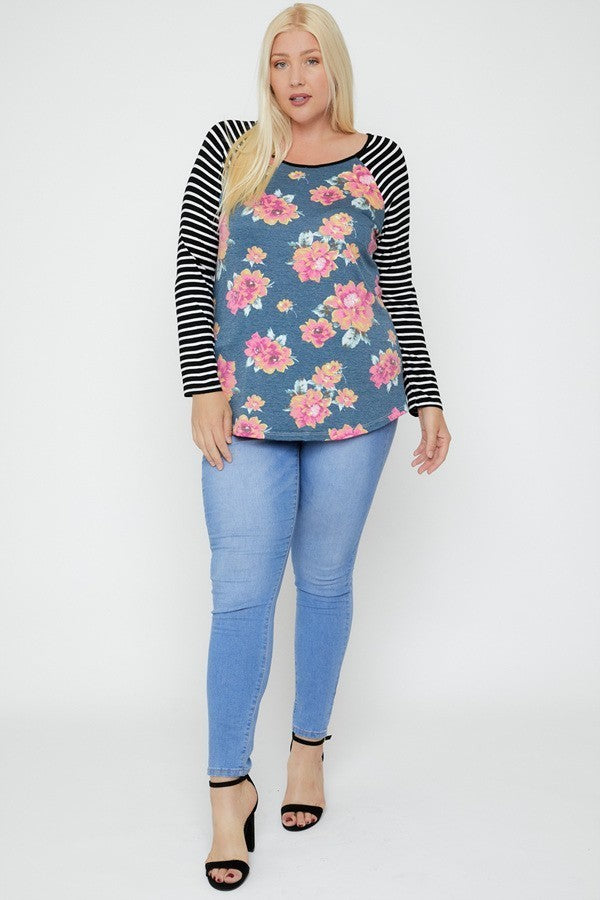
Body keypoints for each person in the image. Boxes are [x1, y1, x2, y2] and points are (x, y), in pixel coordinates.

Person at [174, 3, 451, 889]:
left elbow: (394, 282)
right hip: (245, 407)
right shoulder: (232, 149)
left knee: (325, 582)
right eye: (279, 61)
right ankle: (228, 790)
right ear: (266, 73)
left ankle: (306, 752)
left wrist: (427, 397)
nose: (295, 78)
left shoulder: (381, 160)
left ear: (335, 67)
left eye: (310, 60)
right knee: (239, 596)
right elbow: (192, 269)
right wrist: (201, 384)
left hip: (358, 405)